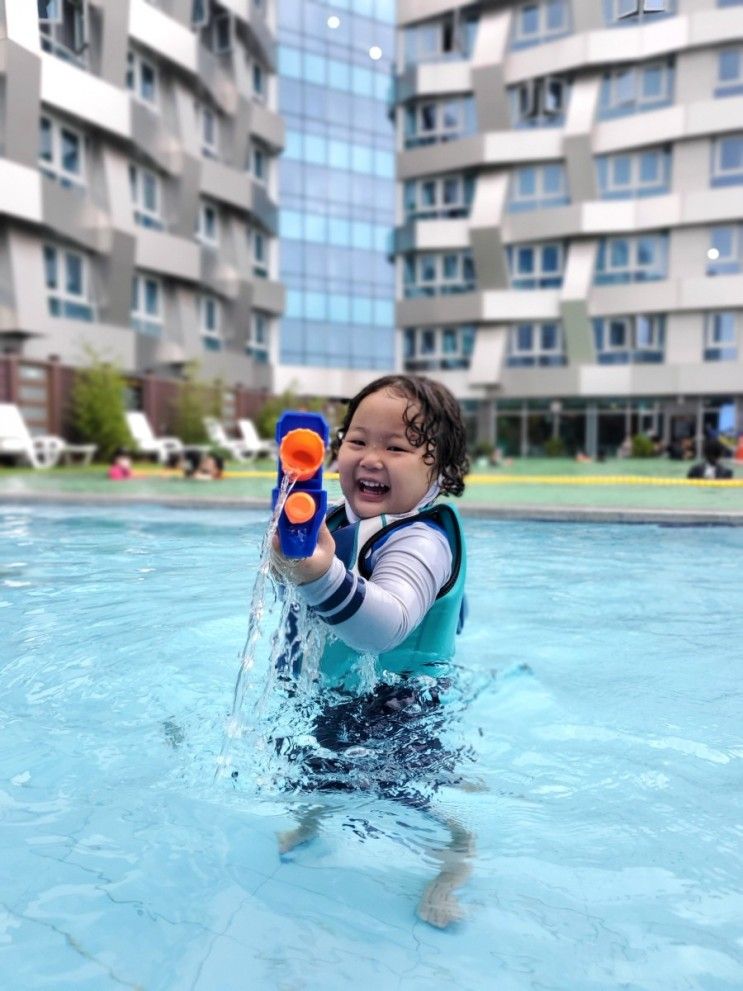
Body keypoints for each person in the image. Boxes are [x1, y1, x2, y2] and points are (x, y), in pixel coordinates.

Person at [270, 374, 473, 928]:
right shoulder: (334, 520)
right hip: (338, 694)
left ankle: (453, 865)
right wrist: (286, 559)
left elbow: (383, 627)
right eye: (357, 441)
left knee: (409, 798)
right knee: (316, 773)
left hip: (398, 708)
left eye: (397, 447)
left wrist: (315, 573)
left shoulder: (422, 540)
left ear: (441, 469)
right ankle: (311, 826)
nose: (371, 457)